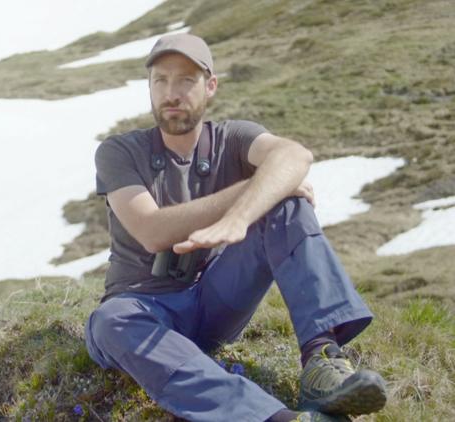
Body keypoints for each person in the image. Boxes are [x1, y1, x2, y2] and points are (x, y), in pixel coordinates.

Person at [83, 33, 387, 422]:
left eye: (185, 80)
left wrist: (243, 217)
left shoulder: (233, 137)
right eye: (160, 80)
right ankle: (279, 419)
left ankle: (321, 360)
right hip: (140, 307)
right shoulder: (119, 151)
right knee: (111, 321)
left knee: (289, 205)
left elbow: (295, 155)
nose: (171, 93)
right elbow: (151, 230)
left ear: (210, 86)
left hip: (213, 303)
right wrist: (249, 194)